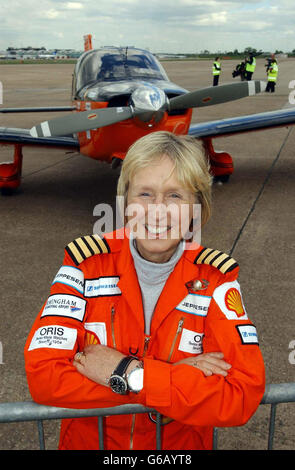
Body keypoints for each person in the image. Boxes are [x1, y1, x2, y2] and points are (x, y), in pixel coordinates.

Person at [24, 131, 265, 450]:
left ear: (196, 206)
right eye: (145, 194)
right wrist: (171, 377)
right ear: (125, 202)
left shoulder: (215, 279)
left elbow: (241, 394)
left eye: (175, 196)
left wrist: (131, 374)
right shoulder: (85, 266)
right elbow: (44, 377)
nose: (157, 211)